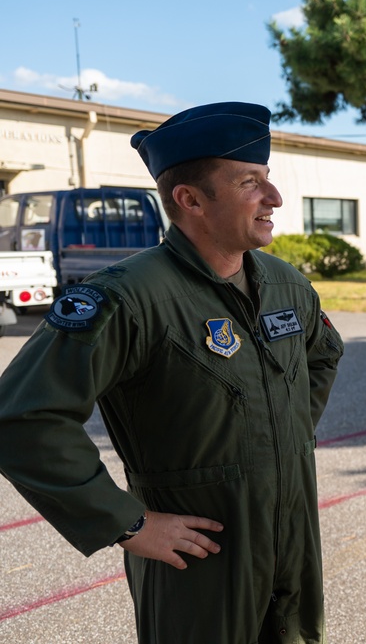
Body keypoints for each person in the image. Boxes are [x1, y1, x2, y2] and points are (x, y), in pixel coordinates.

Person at [0, 102, 344, 643]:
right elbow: (22, 416)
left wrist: (287, 434)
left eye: (268, 180)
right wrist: (127, 522)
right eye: (250, 182)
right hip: (198, 558)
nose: (273, 198)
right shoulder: (127, 297)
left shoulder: (286, 285)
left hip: (292, 539)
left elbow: (322, 353)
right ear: (189, 200)